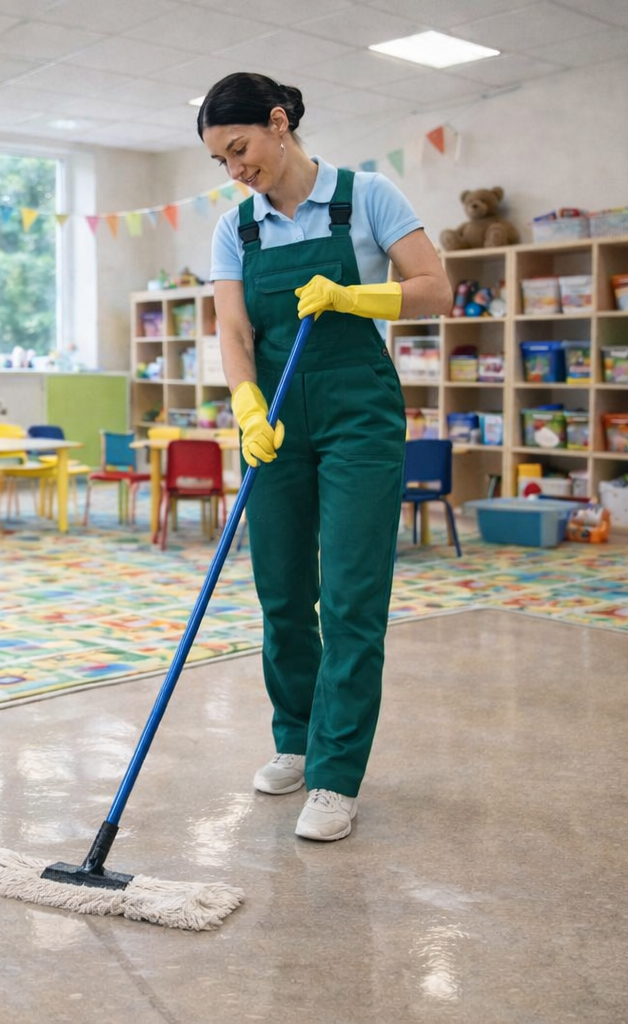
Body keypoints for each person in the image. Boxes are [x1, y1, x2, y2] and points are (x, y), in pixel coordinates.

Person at [198, 72, 452, 841]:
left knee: (349, 598)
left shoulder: (367, 196)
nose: (236, 171)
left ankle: (337, 775)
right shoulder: (234, 228)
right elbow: (235, 333)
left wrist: (354, 298)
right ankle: (296, 740)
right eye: (222, 162)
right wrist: (245, 408)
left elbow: (437, 288)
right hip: (274, 420)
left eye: (241, 149)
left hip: (358, 419)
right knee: (281, 593)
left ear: (279, 125)